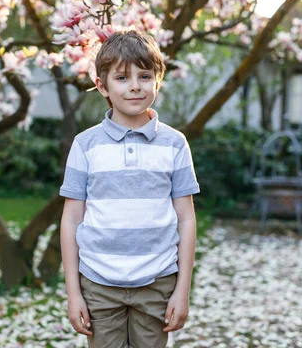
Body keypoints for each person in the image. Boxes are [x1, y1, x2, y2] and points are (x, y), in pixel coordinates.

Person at [59, 29, 200, 348]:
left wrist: (182, 289)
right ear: (102, 86)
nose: (135, 85)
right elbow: (70, 221)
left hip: (157, 283)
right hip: (98, 284)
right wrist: (74, 294)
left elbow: (186, 219)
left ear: (158, 81)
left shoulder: (174, 144)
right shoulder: (85, 145)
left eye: (145, 75)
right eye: (122, 77)